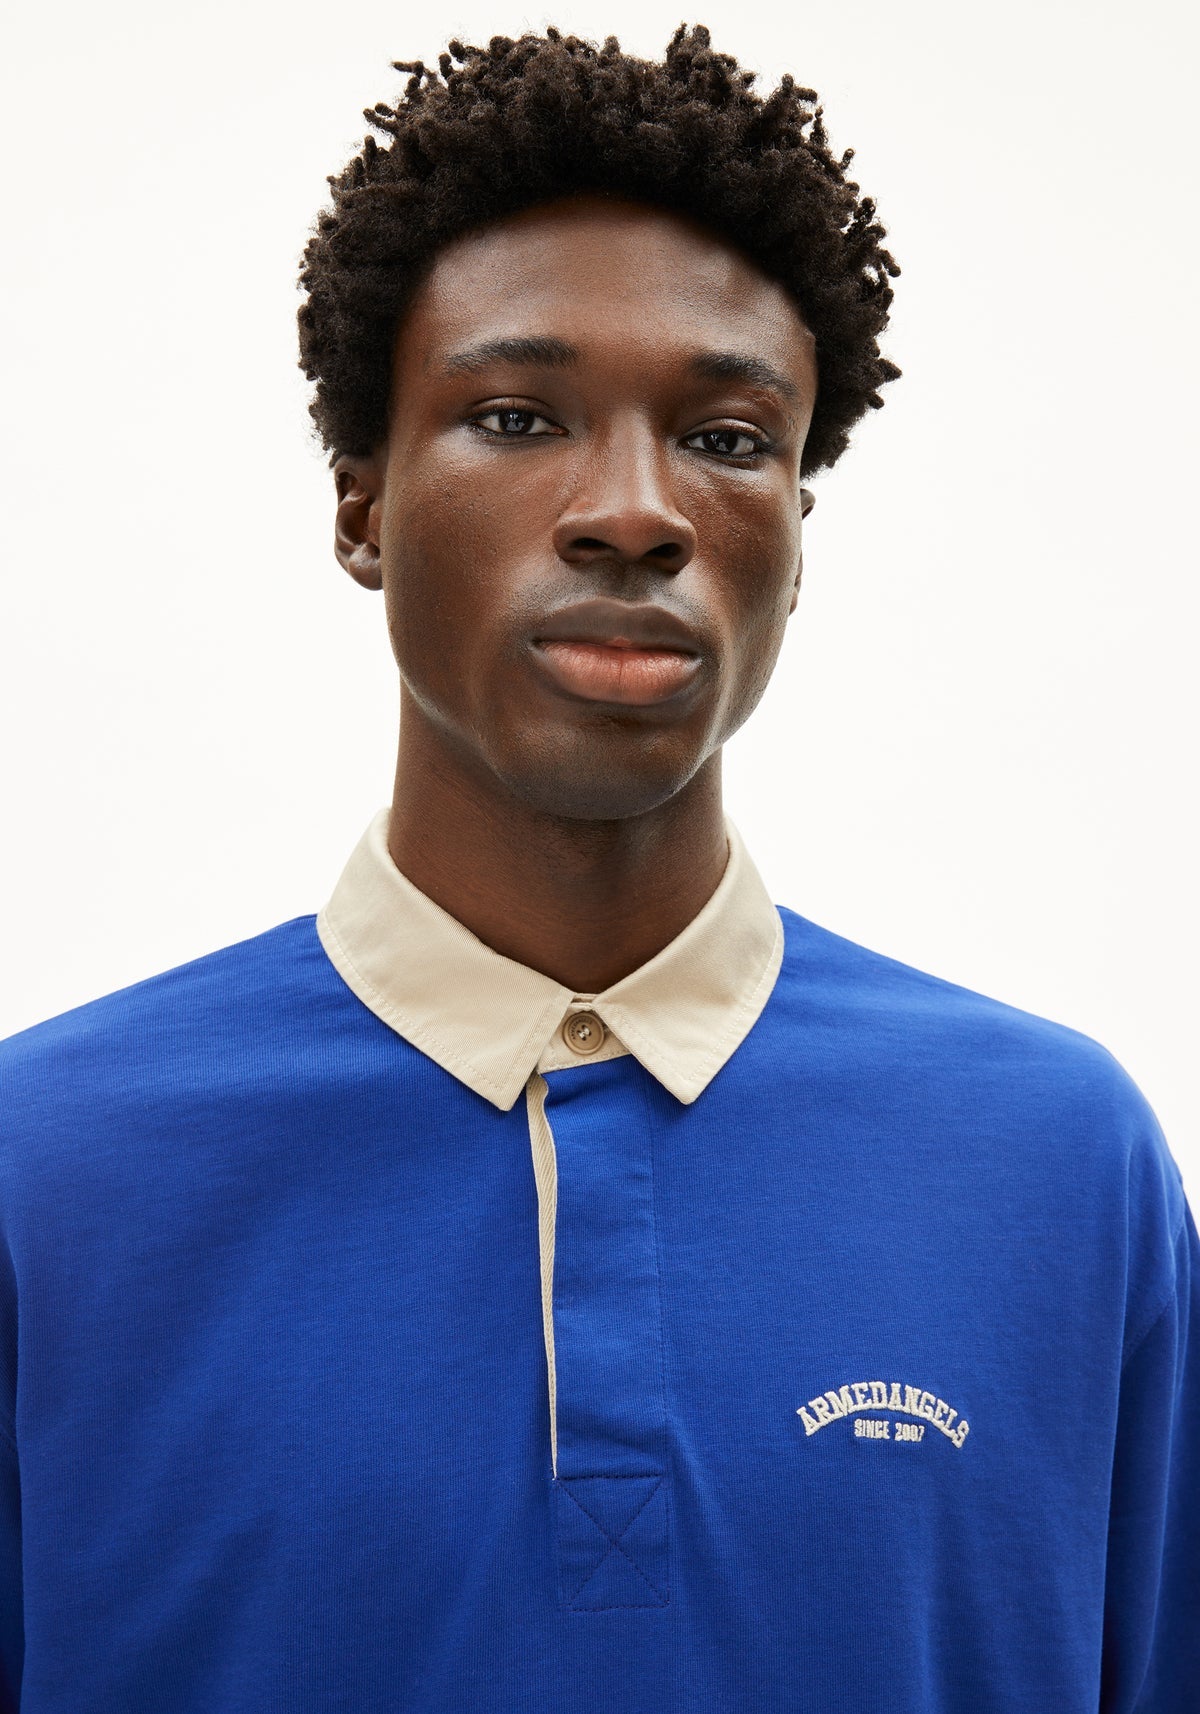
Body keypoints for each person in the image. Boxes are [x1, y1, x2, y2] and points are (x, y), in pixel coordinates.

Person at [0, 23, 1194, 1713]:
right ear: (361, 506)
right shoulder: (44, 1175)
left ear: (798, 533)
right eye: (515, 415)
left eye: (729, 437)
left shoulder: (1063, 1170)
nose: (635, 510)